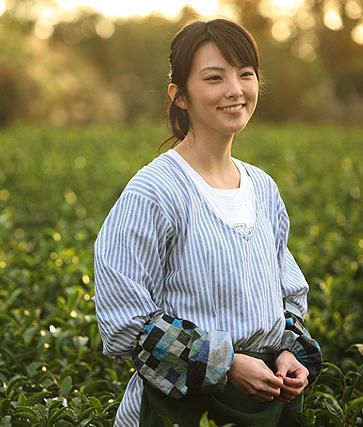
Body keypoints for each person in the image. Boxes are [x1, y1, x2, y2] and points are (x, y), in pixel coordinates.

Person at [93, 19, 322, 427]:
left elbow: (286, 296)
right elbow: (125, 322)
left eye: (245, 74)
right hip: (180, 410)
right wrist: (225, 363)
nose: (235, 90)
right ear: (179, 96)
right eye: (215, 78)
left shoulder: (263, 188)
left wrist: (289, 352)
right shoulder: (155, 191)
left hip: (263, 405)